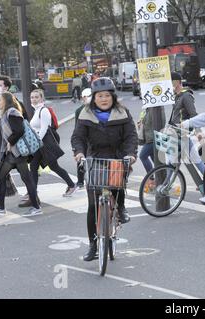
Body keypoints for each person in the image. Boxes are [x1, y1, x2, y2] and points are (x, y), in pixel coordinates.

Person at [71, 77, 138, 261]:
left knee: (118, 187)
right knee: (93, 205)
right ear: (94, 98)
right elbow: (78, 137)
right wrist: (79, 153)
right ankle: (93, 245)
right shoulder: (85, 114)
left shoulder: (122, 113)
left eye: (107, 95)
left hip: (117, 157)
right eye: (100, 96)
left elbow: (131, 136)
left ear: (113, 97)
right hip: (94, 159)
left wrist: (130, 154)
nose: (104, 99)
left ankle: (121, 207)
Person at [0, 92, 41, 216]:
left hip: (15, 152)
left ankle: (2, 208)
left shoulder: (13, 112)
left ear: (6, 101)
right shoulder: (8, 113)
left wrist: (10, 142)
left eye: (0, 100)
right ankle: (35, 206)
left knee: (3, 176)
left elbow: (19, 130)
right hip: (15, 153)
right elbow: (6, 126)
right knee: (25, 178)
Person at [20, 89, 76, 207]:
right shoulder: (37, 110)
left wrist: (36, 143)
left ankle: (70, 185)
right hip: (40, 145)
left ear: (42, 98)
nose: (34, 99)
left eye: (36, 97)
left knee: (49, 166)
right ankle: (33, 193)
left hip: (43, 145)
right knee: (36, 167)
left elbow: (45, 129)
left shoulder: (44, 110)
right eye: (32, 97)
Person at [0, 76, 18, 209]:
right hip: (3, 143)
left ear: (6, 87)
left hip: (10, 144)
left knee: (3, 172)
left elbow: (16, 124)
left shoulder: (11, 102)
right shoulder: (0, 103)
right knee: (4, 172)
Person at [74, 88, 92, 189]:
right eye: (84, 97)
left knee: (82, 160)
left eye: (87, 96)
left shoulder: (80, 110)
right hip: (84, 139)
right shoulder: (79, 110)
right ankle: (80, 181)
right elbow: (77, 127)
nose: (85, 99)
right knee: (81, 160)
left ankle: (81, 181)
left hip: (86, 139)